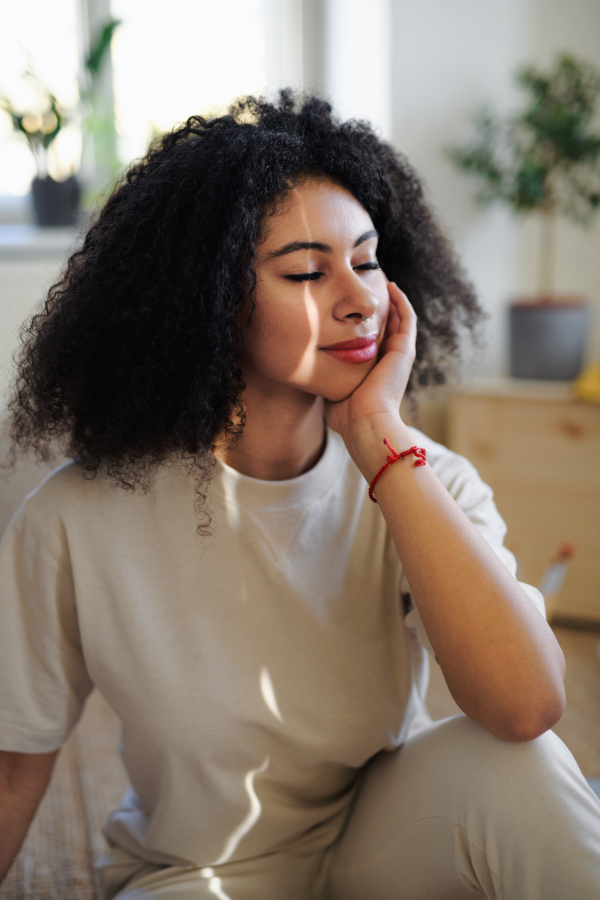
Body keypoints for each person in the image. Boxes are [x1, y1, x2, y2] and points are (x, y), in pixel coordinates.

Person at [0, 91, 599, 900]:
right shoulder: (74, 519)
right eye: (309, 271)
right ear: (210, 302)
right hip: (198, 874)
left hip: (386, 846)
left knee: (521, 768)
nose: (359, 299)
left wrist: (382, 443)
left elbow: (529, 705)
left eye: (368, 259)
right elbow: (12, 771)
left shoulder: (430, 483)